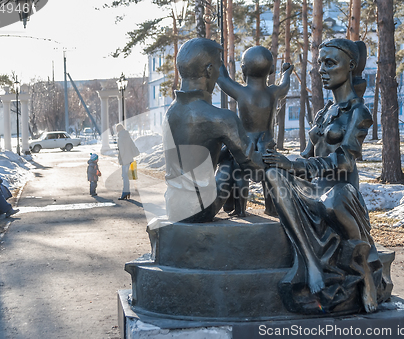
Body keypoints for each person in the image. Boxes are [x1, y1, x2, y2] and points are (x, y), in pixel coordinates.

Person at [262, 38, 382, 313]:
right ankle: (312, 265)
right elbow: (306, 157)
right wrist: (280, 161)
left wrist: (294, 167)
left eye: (330, 63)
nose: (321, 70)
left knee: (332, 201)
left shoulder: (358, 112)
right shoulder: (323, 114)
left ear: (350, 66)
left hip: (342, 192)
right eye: (319, 64)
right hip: (314, 188)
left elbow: (344, 161)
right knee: (272, 174)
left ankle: (365, 274)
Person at [163, 38, 264, 223]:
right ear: (209, 70)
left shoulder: (170, 112)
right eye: (219, 66)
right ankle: (238, 209)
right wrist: (278, 161)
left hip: (172, 205)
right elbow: (255, 170)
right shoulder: (221, 118)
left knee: (230, 156)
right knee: (235, 162)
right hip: (199, 209)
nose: (219, 72)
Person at [217, 46, 293, 216]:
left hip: (246, 144)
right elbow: (285, 85)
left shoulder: (241, 92)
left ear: (243, 69)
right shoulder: (274, 92)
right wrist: (286, 72)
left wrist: (218, 59)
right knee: (269, 176)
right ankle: (271, 208)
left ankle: (240, 209)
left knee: (241, 175)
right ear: (271, 69)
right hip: (267, 143)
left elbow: (222, 79)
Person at [116, 124, 140, 200]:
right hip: (130, 159)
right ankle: (127, 192)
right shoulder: (127, 136)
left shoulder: (120, 138)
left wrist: (120, 159)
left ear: (118, 130)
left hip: (125, 160)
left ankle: (125, 192)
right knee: (127, 176)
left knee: (124, 176)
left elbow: (122, 151)